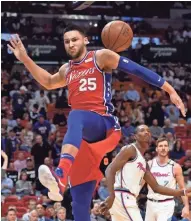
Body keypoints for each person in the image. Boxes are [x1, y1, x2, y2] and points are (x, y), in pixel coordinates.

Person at [8, 25, 186, 221]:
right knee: (79, 200)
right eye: (67, 41)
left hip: (105, 125)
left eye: (74, 39)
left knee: (76, 115)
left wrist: (169, 89)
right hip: (84, 138)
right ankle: (62, 183)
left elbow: (136, 69)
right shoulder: (66, 69)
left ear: (85, 40)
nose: (70, 44)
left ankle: (60, 173)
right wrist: (24, 58)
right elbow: (49, 82)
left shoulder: (100, 57)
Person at [100, 125, 191, 221]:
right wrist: (111, 195)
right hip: (122, 196)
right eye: (142, 130)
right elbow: (109, 169)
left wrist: (182, 192)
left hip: (128, 199)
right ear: (135, 136)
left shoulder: (144, 162)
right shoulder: (130, 149)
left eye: (148, 131)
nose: (147, 132)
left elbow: (156, 187)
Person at [145, 137, 190, 221]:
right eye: (161, 146)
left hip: (166, 204)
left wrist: (186, 206)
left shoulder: (175, 167)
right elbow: (140, 184)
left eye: (165, 146)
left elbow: (182, 188)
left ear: (168, 148)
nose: (163, 148)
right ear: (156, 149)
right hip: (150, 204)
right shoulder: (149, 164)